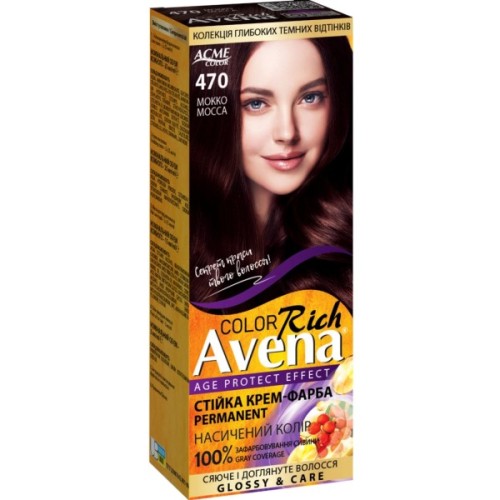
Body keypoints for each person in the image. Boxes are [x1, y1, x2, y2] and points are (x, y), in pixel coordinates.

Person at [190, 36, 352, 311]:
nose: (287, 133)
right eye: (256, 103)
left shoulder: (346, 233)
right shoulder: (182, 240)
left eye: (310, 98)